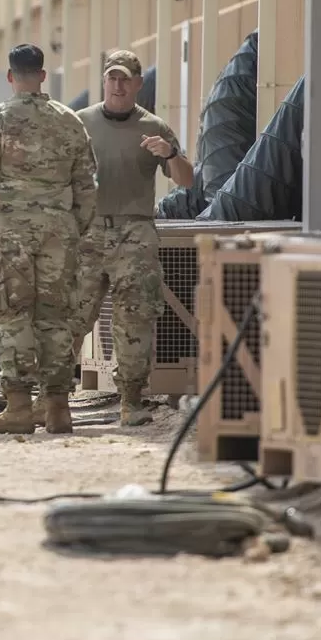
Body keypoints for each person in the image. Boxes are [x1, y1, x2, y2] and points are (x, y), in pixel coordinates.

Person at [0, 44, 98, 435]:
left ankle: (18, 407)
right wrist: (76, 229)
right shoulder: (69, 121)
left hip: (10, 235)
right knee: (56, 317)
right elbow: (87, 185)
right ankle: (57, 409)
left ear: (10, 76)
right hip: (59, 234)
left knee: (13, 314)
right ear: (42, 75)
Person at [75, 49, 194, 425]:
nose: (118, 85)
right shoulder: (80, 123)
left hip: (135, 233)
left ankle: (131, 400)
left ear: (139, 84)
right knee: (70, 315)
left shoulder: (154, 127)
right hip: (89, 231)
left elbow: (187, 180)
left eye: (125, 79)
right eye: (112, 78)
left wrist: (170, 154)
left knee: (134, 318)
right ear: (103, 82)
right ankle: (53, 399)